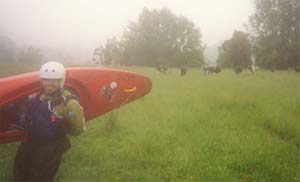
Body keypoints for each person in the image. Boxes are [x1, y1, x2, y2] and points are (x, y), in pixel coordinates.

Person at [13, 61, 85, 182]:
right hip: (29, 142)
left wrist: (60, 129)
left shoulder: (70, 104)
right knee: (20, 172)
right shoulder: (38, 96)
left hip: (50, 148)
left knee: (40, 177)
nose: (48, 84)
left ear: (61, 81)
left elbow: (77, 129)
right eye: (45, 80)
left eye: (53, 80)